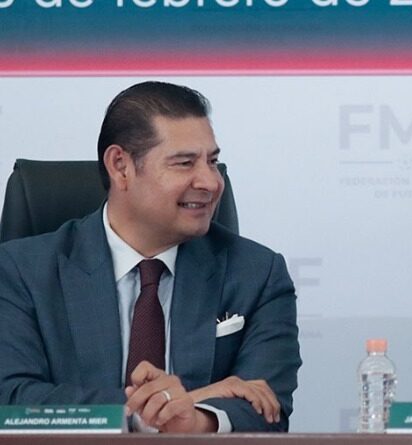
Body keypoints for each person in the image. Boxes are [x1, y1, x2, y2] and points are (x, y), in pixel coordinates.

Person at [0, 81, 301, 433]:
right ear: (121, 166)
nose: (210, 181)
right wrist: (149, 413)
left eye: (212, 161)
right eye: (185, 163)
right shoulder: (20, 272)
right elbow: (12, 399)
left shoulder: (257, 274)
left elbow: (268, 408)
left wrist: (196, 417)